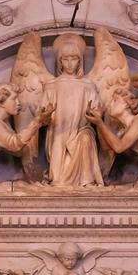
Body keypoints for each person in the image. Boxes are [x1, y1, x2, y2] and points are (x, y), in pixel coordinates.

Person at [41, 32, 103, 188]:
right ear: (60, 61)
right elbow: (42, 117)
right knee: (58, 140)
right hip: (58, 130)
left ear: (79, 61)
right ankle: (56, 180)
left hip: (81, 129)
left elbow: (97, 111)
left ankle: (87, 180)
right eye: (65, 59)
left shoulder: (88, 86)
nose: (69, 63)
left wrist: (95, 114)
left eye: (74, 59)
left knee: (86, 138)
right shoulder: (51, 86)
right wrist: (46, 115)